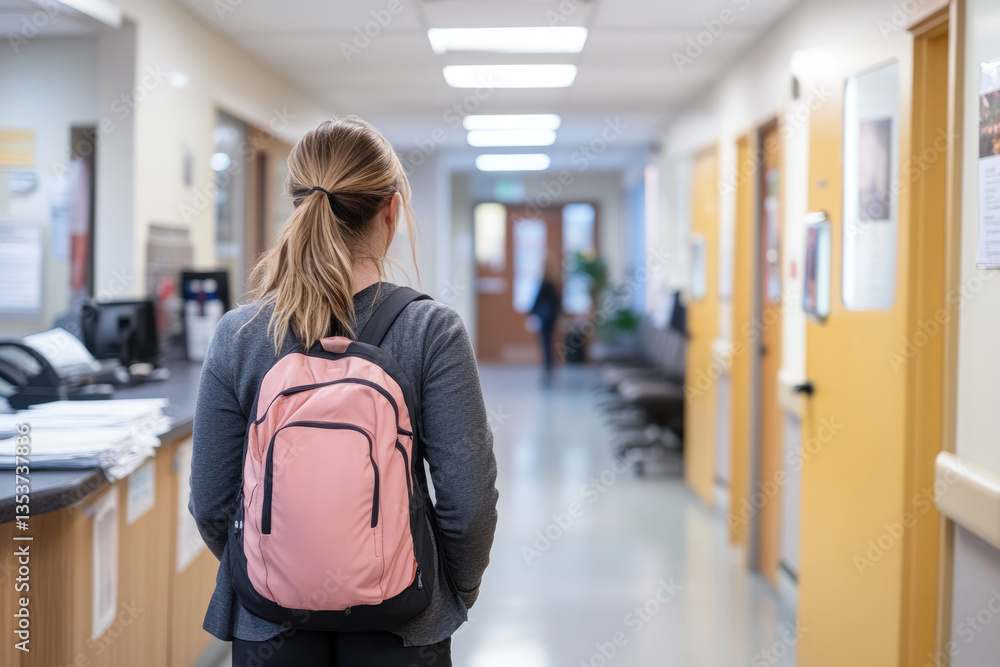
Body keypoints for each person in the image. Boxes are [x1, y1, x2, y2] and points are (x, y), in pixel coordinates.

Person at [189, 117, 499, 667]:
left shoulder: (239, 334)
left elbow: (212, 502)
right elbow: (468, 502)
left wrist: (273, 566)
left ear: (298, 207)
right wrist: (451, 590)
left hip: (269, 625)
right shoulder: (431, 331)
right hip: (405, 622)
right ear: (392, 211)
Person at [529, 260, 561, 384]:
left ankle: (548, 367)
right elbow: (557, 303)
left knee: (545, 343)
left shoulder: (545, 283)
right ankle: (549, 367)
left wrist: (531, 312)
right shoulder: (552, 283)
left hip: (544, 318)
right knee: (548, 343)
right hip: (551, 318)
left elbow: (537, 300)